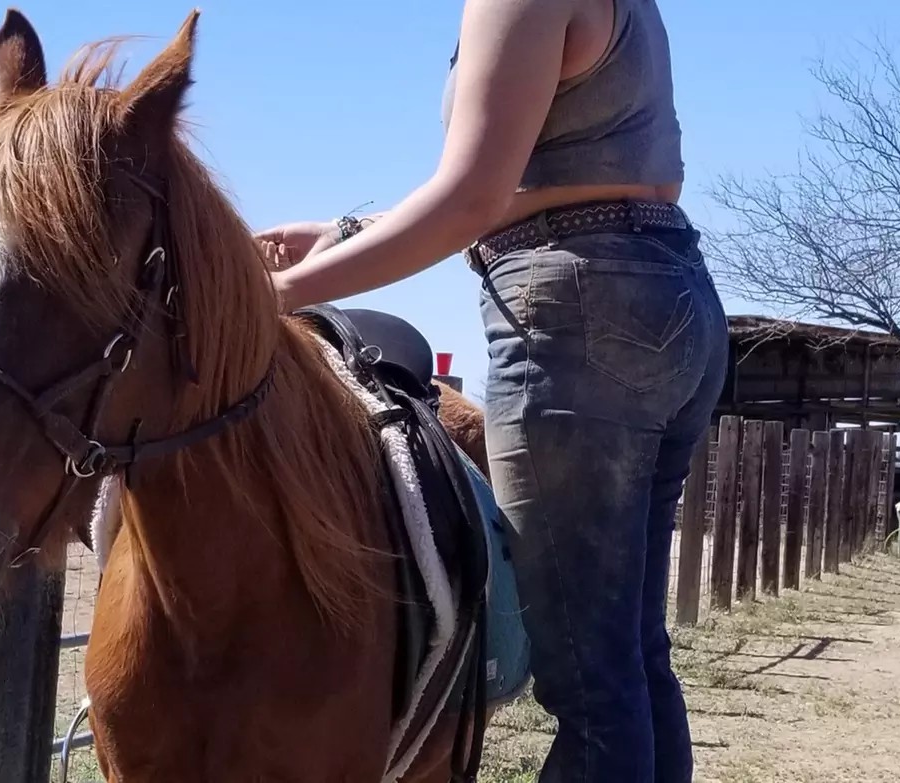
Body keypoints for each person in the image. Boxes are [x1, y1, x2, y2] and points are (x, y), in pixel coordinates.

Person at [256, 0, 727, 780]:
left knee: (588, 677)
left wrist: (276, 293)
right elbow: (544, 172)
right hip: (667, 289)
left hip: (580, 310)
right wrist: (344, 233)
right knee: (628, 654)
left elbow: (471, 199)